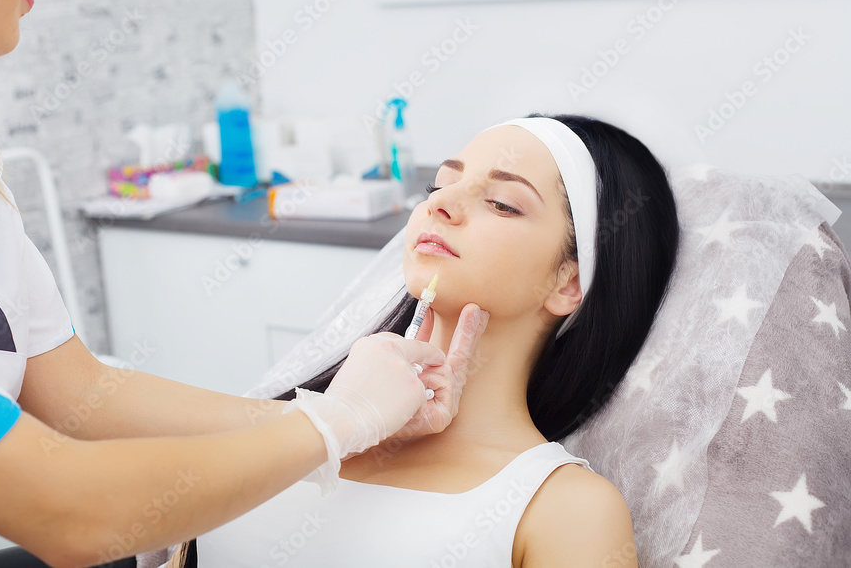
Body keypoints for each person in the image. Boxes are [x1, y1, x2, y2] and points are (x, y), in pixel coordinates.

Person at [0, 0, 488, 566]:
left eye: (502, 201)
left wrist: (343, 421)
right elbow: (70, 510)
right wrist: (336, 422)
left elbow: (74, 393)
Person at [187, 115, 680, 566]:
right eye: (439, 184)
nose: (439, 203)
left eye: (502, 203)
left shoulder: (567, 510)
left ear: (567, 282)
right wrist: (340, 419)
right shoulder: (295, 427)